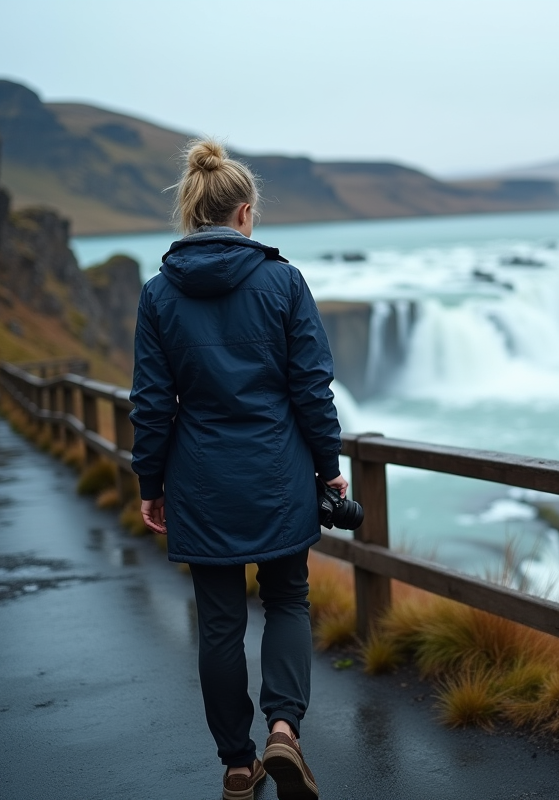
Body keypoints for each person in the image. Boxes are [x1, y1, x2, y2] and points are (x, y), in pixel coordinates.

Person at [129, 139, 343, 800]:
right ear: (245, 213)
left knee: (219, 621)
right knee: (286, 598)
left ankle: (236, 764)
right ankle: (284, 729)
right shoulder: (283, 281)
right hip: (278, 474)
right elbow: (311, 386)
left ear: (194, 213)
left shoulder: (158, 294)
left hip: (201, 480)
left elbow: (150, 402)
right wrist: (329, 466)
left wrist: (150, 483)